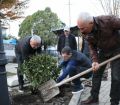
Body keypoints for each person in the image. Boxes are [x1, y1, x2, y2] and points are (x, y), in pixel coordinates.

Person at [77, 12, 120, 105]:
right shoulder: (85, 32)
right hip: (103, 51)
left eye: (82, 28)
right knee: (96, 73)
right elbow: (92, 47)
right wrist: (95, 61)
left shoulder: (108, 21)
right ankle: (94, 97)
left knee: (116, 77)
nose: (81, 31)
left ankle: (114, 101)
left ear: (91, 23)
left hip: (117, 50)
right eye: (79, 28)